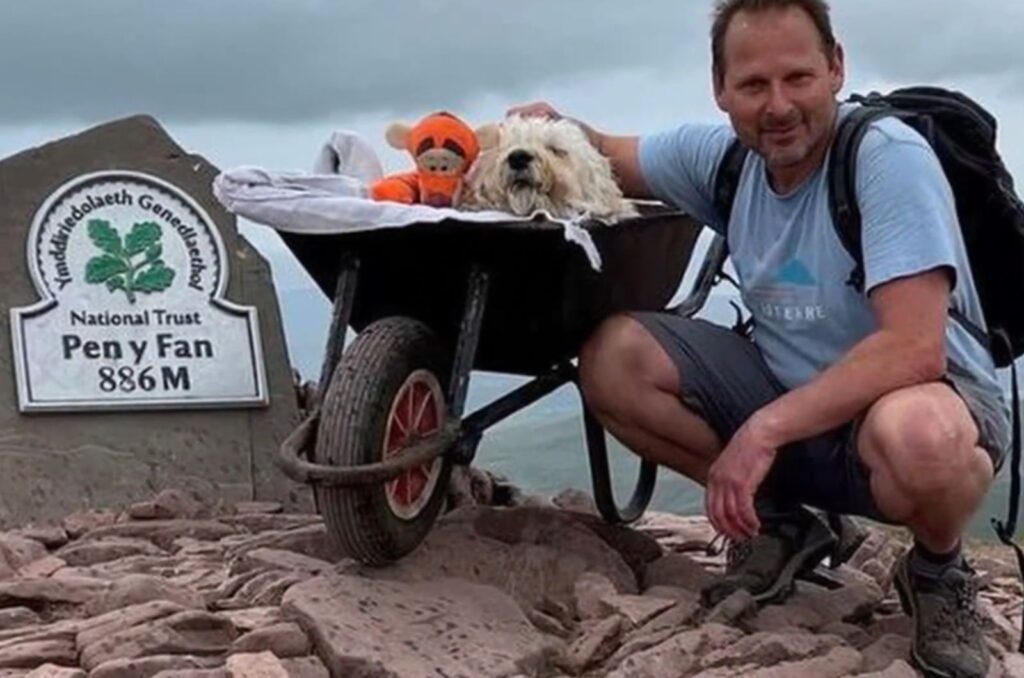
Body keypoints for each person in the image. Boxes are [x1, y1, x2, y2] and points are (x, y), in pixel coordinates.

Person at [509, 1, 1011, 676]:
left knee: (922, 437)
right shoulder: (726, 160)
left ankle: (938, 569)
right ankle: (779, 524)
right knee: (612, 360)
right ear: (720, 90)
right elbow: (608, 152)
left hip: (913, 408)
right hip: (793, 400)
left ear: (836, 68)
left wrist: (763, 431)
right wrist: (547, 127)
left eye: (798, 78)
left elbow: (913, 349)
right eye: (753, 85)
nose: (778, 106)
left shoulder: (886, 158)